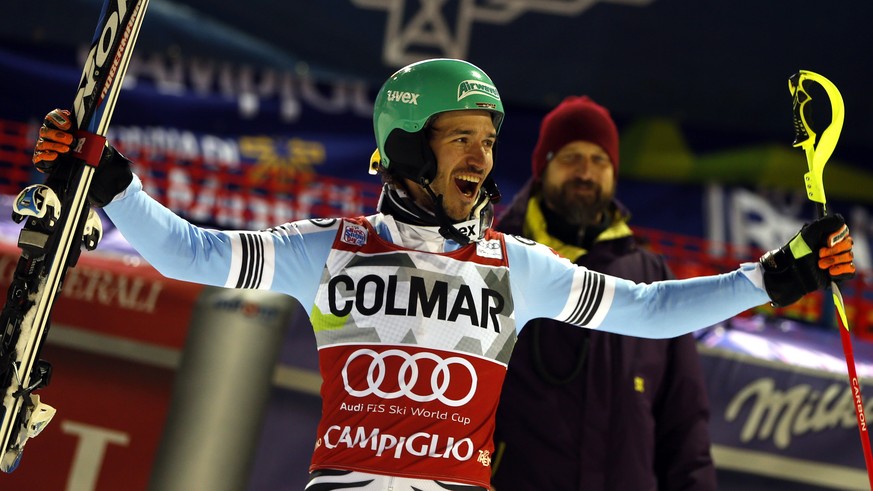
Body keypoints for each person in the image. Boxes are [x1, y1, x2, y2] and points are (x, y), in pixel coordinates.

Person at [31, 59, 855, 491]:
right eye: (459, 136)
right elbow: (192, 254)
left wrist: (773, 276)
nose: (481, 155)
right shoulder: (335, 245)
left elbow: (645, 309)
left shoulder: (513, 265)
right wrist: (115, 186)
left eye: (488, 140)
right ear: (407, 147)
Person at [491, 95, 715, 490]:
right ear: (542, 168)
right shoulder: (496, 258)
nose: (585, 172)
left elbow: (684, 424)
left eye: (599, 160)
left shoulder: (652, 279)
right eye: (570, 157)